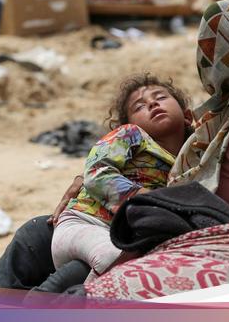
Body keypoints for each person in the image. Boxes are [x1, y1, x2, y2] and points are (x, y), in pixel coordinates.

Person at [0, 0, 229, 292]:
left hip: (190, 240)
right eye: (140, 106)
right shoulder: (227, 112)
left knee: (94, 275)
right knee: (35, 234)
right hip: (131, 225)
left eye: (212, 48)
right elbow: (102, 170)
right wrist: (98, 183)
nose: (207, 59)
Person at [51, 74, 193, 281]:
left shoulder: (194, 159)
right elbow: (97, 173)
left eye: (160, 97)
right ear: (129, 123)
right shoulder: (131, 134)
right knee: (117, 263)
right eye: (139, 107)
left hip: (116, 236)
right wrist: (149, 199)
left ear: (188, 116)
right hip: (85, 222)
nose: (152, 103)